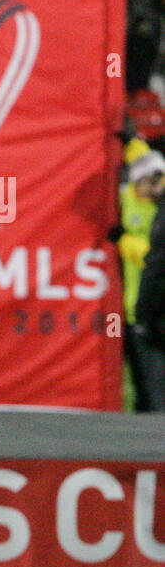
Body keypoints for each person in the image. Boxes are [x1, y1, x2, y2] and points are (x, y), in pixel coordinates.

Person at [121, 149, 165, 409]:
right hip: (137, 307)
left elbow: (155, 259)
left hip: (152, 309)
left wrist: (126, 243)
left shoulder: (160, 209)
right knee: (142, 389)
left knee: (156, 390)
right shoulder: (127, 200)